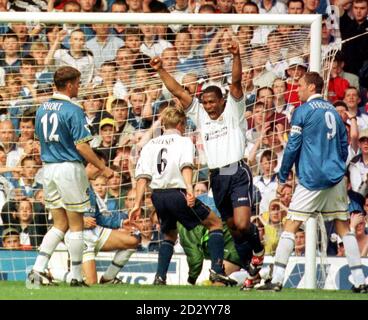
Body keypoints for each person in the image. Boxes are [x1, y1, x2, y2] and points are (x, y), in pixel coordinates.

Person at [149, 41, 265, 287]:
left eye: (213, 102)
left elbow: (235, 82)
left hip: (237, 172)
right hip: (217, 177)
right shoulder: (200, 115)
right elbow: (179, 92)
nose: (209, 106)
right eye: (206, 102)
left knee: (243, 224)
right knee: (234, 229)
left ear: (222, 101)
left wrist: (236, 55)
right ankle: (253, 276)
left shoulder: (234, 110)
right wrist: (160, 70)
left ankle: (258, 249)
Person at [257, 72, 368, 292]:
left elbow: (292, 146)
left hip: (312, 178)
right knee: (344, 227)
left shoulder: (303, 111)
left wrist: (282, 176)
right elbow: (344, 145)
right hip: (335, 178)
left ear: (310, 87)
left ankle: (277, 279)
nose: (296, 90)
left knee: (291, 225)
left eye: (299, 86)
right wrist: (336, 167)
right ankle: (360, 281)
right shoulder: (335, 113)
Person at [28, 66, 113, 287]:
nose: (79, 86)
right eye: (77, 83)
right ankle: (76, 276)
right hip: (69, 167)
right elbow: (82, 146)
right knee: (76, 225)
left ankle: (36, 270)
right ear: (69, 85)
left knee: (59, 224)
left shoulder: (42, 108)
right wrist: (102, 168)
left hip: (49, 168)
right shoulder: (73, 109)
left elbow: (41, 139)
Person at [131, 107, 236, 286]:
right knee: (215, 223)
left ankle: (160, 277)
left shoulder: (150, 145)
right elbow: (186, 166)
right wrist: (189, 189)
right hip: (177, 192)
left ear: (164, 124)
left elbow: (142, 177)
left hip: (158, 196)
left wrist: (137, 203)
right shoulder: (184, 142)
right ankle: (217, 272)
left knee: (169, 234)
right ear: (181, 124)